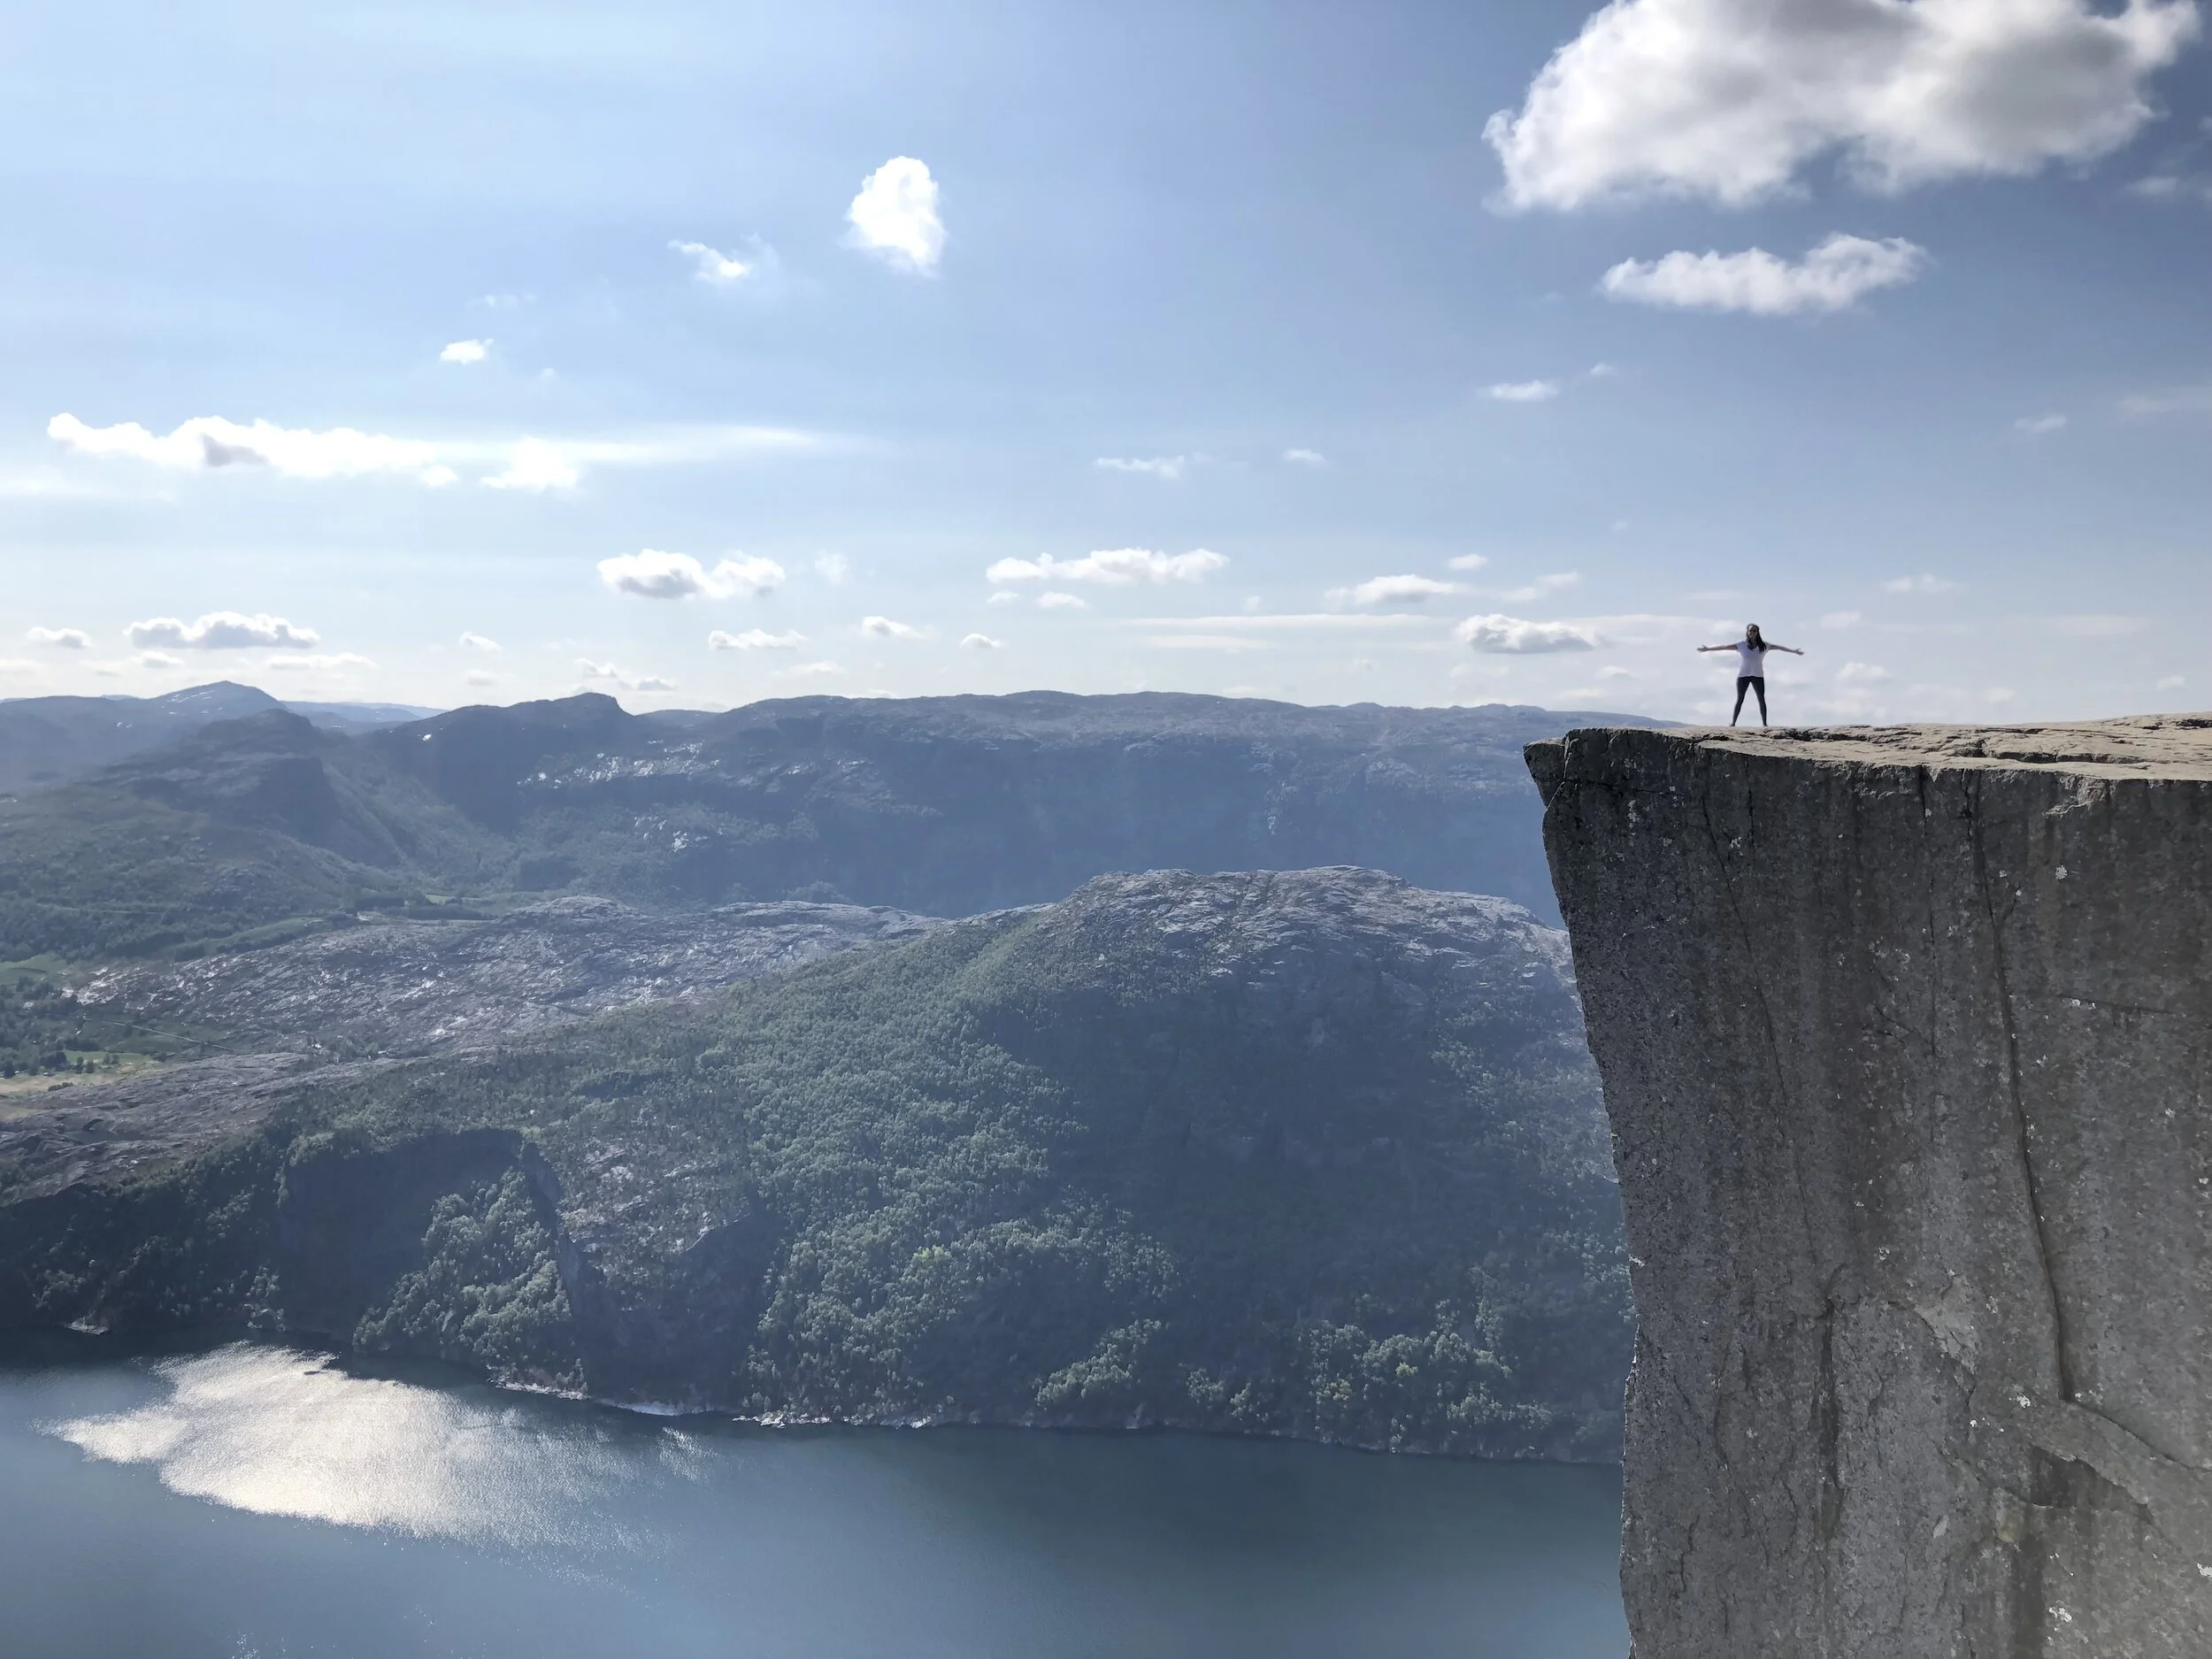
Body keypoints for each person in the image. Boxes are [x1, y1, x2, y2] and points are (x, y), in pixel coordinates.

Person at [1697, 624, 1803, 726]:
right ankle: (1733, 723)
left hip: (1758, 675)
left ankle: (1765, 724)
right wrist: (1708, 649)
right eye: (1750, 631)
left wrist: (1794, 651)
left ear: (1757, 633)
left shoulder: (1764, 645)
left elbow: (1780, 647)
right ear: (1747, 632)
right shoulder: (1741, 645)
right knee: (1740, 699)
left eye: (1754, 631)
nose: (1752, 632)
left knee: (1761, 699)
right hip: (1743, 675)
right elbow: (1724, 647)